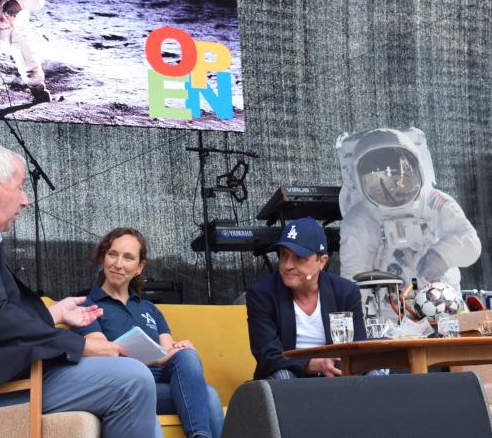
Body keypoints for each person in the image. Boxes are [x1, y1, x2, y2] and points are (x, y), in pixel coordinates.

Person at [0, 144, 161, 437]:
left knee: (136, 384)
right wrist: (82, 345)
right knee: (133, 379)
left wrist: (54, 313)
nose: (25, 201)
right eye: (21, 187)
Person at [73, 227, 224, 438]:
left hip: (163, 383)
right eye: (112, 254)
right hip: (128, 388)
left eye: (128, 258)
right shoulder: (86, 308)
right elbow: (102, 354)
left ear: (139, 267)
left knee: (187, 354)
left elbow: (168, 351)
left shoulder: (150, 309)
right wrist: (160, 358)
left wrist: (178, 348)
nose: (118, 264)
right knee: (208, 395)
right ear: (102, 258)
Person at [336, 127, 481, 319]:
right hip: (390, 315)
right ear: (360, 180)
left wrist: (442, 255)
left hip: (443, 306)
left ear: (418, 167)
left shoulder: (434, 202)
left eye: (400, 176)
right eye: (380, 181)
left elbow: (470, 242)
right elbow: (354, 277)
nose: (394, 188)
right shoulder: (360, 219)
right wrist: (364, 321)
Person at [247, 217, 373, 379]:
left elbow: (359, 347)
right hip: (290, 375)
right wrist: (313, 364)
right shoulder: (262, 294)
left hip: (336, 375)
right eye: (284, 255)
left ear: (322, 261)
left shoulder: (345, 292)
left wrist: (336, 367)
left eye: (299, 257)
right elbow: (268, 356)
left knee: (377, 372)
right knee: (283, 376)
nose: (287, 265)